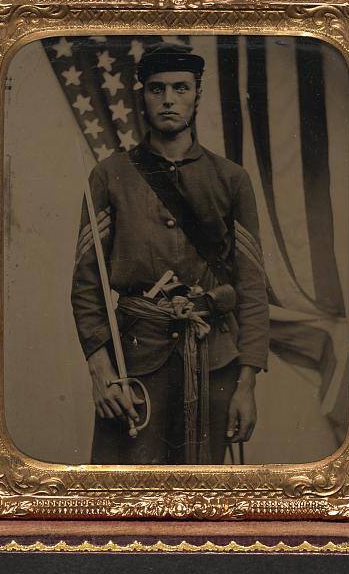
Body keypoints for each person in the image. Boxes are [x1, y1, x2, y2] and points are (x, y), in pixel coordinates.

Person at [71, 42, 269, 464]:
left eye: (180, 88)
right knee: (124, 498)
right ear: (141, 95)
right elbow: (87, 284)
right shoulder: (109, 176)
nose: (168, 100)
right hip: (135, 363)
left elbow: (251, 286)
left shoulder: (230, 179)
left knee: (204, 499)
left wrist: (247, 383)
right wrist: (100, 371)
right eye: (157, 89)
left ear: (198, 94)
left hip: (216, 363)